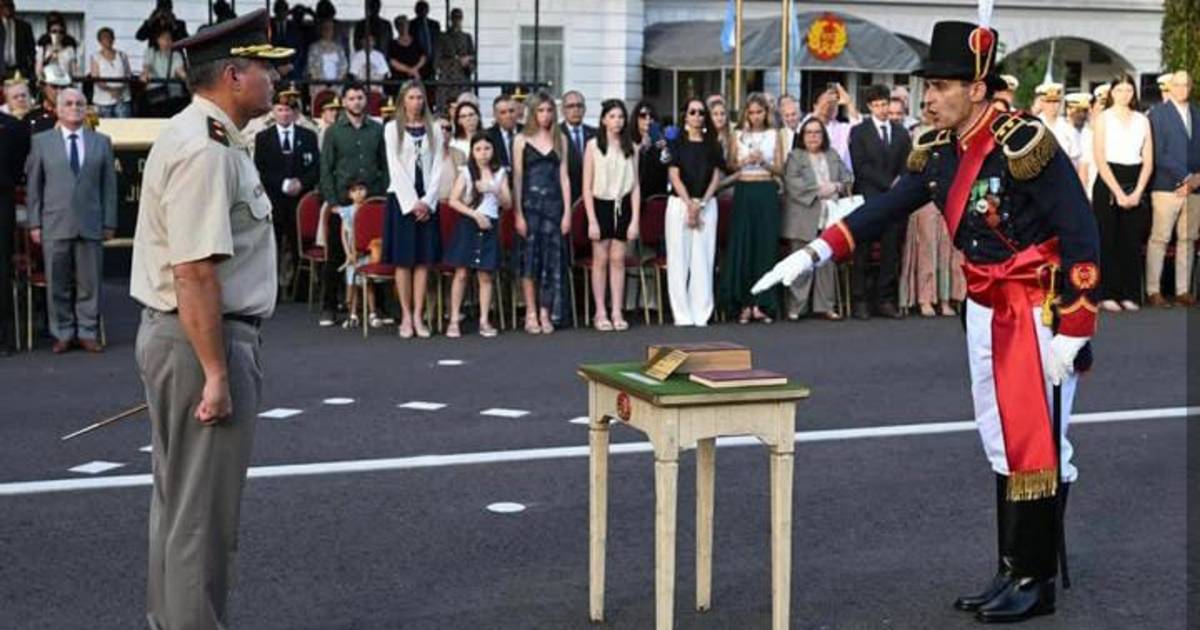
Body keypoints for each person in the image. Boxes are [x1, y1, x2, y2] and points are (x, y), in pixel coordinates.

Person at [756, 19, 1100, 623]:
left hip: (1037, 312)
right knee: (999, 438)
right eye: (927, 87)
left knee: (1037, 442)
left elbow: (1080, 230)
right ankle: (1011, 568)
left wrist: (1075, 329)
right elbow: (887, 206)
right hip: (984, 306)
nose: (929, 98)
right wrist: (816, 252)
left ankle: (1036, 579)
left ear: (976, 88)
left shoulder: (1023, 143)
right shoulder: (940, 150)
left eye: (940, 87)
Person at [130, 11, 290, 628]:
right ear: (233, 75)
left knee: (179, 509)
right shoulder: (206, 149)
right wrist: (217, 373)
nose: (276, 80)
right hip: (203, 338)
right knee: (203, 518)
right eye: (266, 69)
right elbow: (195, 271)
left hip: (185, 336)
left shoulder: (202, 135)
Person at [25, 87, 117, 353]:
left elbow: (109, 187)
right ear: (57, 109)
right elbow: (34, 186)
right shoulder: (42, 142)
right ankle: (63, 332)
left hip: (91, 222)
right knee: (57, 283)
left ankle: (87, 331)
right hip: (54, 223)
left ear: (86, 108)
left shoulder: (101, 142)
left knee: (90, 283)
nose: (74, 107)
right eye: (68, 103)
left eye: (79, 103)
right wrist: (34, 223)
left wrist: (109, 222)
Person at [318, 82, 388, 327]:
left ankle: (378, 307)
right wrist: (332, 202)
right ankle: (329, 306)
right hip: (342, 200)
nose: (356, 102)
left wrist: (382, 197)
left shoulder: (377, 129)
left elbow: (384, 165)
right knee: (337, 254)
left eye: (360, 97)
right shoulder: (334, 131)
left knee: (374, 252)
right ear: (344, 102)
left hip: (372, 200)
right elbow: (326, 169)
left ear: (365, 100)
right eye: (351, 98)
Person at [384, 80, 444, 338]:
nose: (416, 102)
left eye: (420, 98)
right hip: (402, 199)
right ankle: (406, 316)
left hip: (427, 198)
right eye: (411, 97)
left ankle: (419, 315)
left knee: (422, 261)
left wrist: (428, 201)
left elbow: (438, 166)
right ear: (403, 100)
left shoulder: (435, 128)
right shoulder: (391, 129)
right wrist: (412, 203)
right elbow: (395, 167)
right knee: (404, 261)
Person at [848, 84, 912, 319]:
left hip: (894, 200)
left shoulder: (901, 132)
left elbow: (908, 163)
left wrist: (899, 183)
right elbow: (861, 166)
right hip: (869, 197)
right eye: (876, 105)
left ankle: (885, 300)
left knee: (890, 250)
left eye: (884, 104)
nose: (882, 109)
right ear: (869, 107)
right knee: (863, 249)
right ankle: (860, 300)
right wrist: (888, 183)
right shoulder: (859, 132)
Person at [719, 92, 784, 324]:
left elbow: (780, 168)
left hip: (766, 190)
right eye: (752, 112)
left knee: (765, 246)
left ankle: (762, 303)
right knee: (743, 245)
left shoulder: (774, 134)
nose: (755, 116)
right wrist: (744, 162)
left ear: (766, 113)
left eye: (759, 112)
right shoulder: (737, 135)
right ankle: (744, 303)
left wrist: (763, 161)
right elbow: (730, 164)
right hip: (745, 190)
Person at [512, 90, 571, 334]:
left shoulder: (561, 139)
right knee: (529, 260)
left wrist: (567, 213)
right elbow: (517, 178)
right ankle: (531, 312)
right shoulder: (521, 139)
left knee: (551, 260)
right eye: (541, 110)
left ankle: (546, 311)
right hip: (529, 206)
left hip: (554, 207)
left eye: (549, 110)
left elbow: (564, 177)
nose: (545, 115)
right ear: (533, 113)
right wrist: (518, 213)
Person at [1092, 73, 1152, 312]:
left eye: (1129, 90)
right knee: (1108, 239)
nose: (1124, 95)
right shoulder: (1103, 118)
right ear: (1112, 93)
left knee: (1131, 239)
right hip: (1109, 179)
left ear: (1134, 93)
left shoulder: (1142, 120)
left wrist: (1138, 191)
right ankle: (1107, 293)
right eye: (1119, 90)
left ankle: (1129, 293)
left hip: (1135, 178)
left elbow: (1148, 160)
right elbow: (1099, 156)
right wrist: (1117, 192)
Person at [899, 102, 964, 317]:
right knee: (927, 251)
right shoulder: (916, 136)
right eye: (927, 109)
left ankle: (946, 298)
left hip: (950, 197)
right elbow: (911, 169)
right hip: (924, 199)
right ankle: (925, 298)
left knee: (948, 251)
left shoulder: (953, 135)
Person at [781, 117, 849, 321]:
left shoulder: (832, 154)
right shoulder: (795, 157)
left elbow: (848, 177)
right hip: (804, 216)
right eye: (809, 133)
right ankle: (796, 307)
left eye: (817, 132)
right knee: (801, 262)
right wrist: (820, 191)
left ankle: (825, 306)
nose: (813, 137)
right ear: (802, 136)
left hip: (829, 216)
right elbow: (792, 183)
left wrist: (837, 186)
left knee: (826, 263)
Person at [582, 98, 639, 332]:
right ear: (604, 120)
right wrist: (592, 220)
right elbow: (586, 187)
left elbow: (636, 186)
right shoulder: (593, 146)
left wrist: (635, 220)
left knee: (618, 259)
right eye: (612, 116)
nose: (617, 121)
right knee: (600, 260)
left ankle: (617, 310)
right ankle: (600, 311)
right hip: (600, 204)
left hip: (622, 204)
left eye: (621, 117)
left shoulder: (631, 147)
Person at [444, 133, 510, 337]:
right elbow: (453, 200)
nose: (483, 154)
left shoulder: (500, 173)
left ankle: (484, 320)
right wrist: (474, 215)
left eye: (487, 149)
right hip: (469, 224)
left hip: (490, 224)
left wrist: (494, 190)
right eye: (478, 149)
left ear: (493, 150)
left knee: (485, 275)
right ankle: (454, 320)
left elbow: (508, 203)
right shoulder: (466, 172)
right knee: (462, 273)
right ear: (472, 152)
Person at [665, 98, 722, 327]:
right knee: (679, 259)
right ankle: (682, 313)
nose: (697, 116)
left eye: (701, 112)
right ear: (685, 116)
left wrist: (702, 204)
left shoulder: (713, 143)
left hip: (706, 204)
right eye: (692, 112)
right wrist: (689, 204)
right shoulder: (676, 143)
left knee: (703, 259)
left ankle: (701, 312)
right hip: (680, 204)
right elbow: (674, 175)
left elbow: (716, 176)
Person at [256, 91, 320, 292]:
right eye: (280, 109)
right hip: (274, 200)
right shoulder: (263, 138)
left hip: (299, 201)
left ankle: (300, 289)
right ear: (273, 111)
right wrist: (281, 183)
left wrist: (301, 182)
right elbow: (260, 169)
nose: (284, 114)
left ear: (295, 113)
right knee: (272, 246)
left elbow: (315, 168)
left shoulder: (308, 136)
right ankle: (272, 290)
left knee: (299, 243)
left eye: (288, 110)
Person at [1146, 70, 1200, 307]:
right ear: (1170, 87)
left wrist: (1196, 180)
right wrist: (1186, 178)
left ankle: (1182, 290)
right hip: (1167, 187)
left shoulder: (1198, 114)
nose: (1181, 89)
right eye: (1177, 85)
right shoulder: (1158, 114)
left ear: (1191, 87)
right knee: (1160, 238)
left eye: (1186, 85)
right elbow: (1159, 153)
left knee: (1188, 239)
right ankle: (1153, 290)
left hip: (1195, 189)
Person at [0, 102, 29, 356]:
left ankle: (2, 336)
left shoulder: (12, 127)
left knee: (1, 270)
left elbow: (18, 167)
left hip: (2, 202)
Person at [334, 180, 380, 327]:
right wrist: (348, 253)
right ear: (349, 194)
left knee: (368, 284)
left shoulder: (370, 209)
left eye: (361, 189)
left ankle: (372, 313)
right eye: (354, 190)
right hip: (352, 254)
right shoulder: (347, 211)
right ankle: (353, 314)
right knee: (352, 284)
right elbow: (343, 234)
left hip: (367, 253)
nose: (358, 193)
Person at [806, 83, 861, 170]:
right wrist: (822, 105)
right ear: (815, 106)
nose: (830, 106)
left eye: (834, 103)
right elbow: (803, 128)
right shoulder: (809, 123)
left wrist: (849, 102)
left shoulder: (841, 128)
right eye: (827, 102)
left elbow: (859, 128)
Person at [141, 28, 187, 117]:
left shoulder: (176, 55)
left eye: (169, 39)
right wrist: (145, 74)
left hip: (173, 94)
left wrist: (188, 79)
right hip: (156, 92)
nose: (166, 41)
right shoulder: (150, 52)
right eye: (163, 38)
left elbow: (180, 71)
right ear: (157, 40)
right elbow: (147, 67)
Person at [435, 7, 474, 112]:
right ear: (451, 19)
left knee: (464, 107)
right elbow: (437, 60)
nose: (457, 20)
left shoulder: (467, 37)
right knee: (444, 109)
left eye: (459, 17)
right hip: (447, 78)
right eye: (455, 17)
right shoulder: (443, 37)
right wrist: (456, 61)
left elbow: (472, 58)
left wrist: (468, 63)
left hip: (462, 79)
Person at [560, 90, 596, 204]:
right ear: (563, 110)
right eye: (570, 106)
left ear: (584, 109)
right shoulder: (555, 134)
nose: (575, 110)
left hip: (592, 198)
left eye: (579, 106)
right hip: (564, 199)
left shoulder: (595, 134)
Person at [88, 28, 132, 118]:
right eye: (104, 38)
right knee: (99, 125)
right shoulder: (95, 56)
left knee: (124, 125)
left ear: (113, 39)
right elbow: (95, 77)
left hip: (122, 98)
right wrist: (111, 90)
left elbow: (128, 74)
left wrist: (119, 89)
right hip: (101, 101)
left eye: (109, 37)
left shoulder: (122, 55)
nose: (107, 40)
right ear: (99, 41)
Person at [631, 100, 668, 198]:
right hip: (635, 195)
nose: (647, 119)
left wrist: (665, 150)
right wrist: (641, 148)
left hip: (656, 196)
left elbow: (666, 165)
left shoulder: (660, 140)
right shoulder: (630, 140)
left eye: (651, 116)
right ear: (636, 119)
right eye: (643, 116)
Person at [306, 18, 347, 92]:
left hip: (337, 87)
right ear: (321, 30)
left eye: (330, 28)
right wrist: (323, 84)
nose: (328, 31)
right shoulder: (314, 47)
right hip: (319, 87)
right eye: (325, 28)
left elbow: (344, 66)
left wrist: (336, 83)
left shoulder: (339, 48)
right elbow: (311, 68)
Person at [35, 13, 77, 83]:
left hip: (65, 83)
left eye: (61, 32)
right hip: (48, 83)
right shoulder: (43, 49)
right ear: (49, 33)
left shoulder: (70, 50)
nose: (58, 34)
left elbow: (74, 72)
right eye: (54, 32)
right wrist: (49, 57)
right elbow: (38, 72)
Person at [0, 0, 36, 81]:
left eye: (10, 6)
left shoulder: (25, 27)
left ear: (14, 8)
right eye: (4, 6)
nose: (7, 9)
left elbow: (32, 50)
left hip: (20, 70)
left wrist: (30, 69)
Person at [27, 62, 69, 132]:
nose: (59, 92)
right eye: (54, 87)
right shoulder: (32, 117)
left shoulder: (79, 114)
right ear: (43, 87)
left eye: (63, 87)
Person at [387, 15, 425, 88]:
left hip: (416, 77)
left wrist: (415, 69)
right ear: (396, 27)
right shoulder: (392, 44)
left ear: (408, 25)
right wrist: (409, 70)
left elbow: (423, 57)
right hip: (399, 80)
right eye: (400, 24)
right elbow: (392, 61)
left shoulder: (417, 41)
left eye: (405, 24)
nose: (403, 27)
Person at [487, 93, 520, 170]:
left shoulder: (528, 132)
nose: (508, 116)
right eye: (503, 112)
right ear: (495, 115)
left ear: (517, 111)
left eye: (511, 111)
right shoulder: (488, 136)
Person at [409, 0, 439, 84]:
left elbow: (437, 43)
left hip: (431, 61)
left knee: (431, 86)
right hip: (416, 62)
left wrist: (437, 61)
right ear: (416, 10)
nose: (422, 11)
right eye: (420, 9)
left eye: (424, 9)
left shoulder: (434, 25)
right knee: (417, 86)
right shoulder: (410, 25)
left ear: (428, 10)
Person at [449, 99, 481, 163]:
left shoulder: (489, 138)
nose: (468, 119)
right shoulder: (453, 143)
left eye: (471, 114)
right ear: (458, 121)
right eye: (463, 116)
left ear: (478, 117)